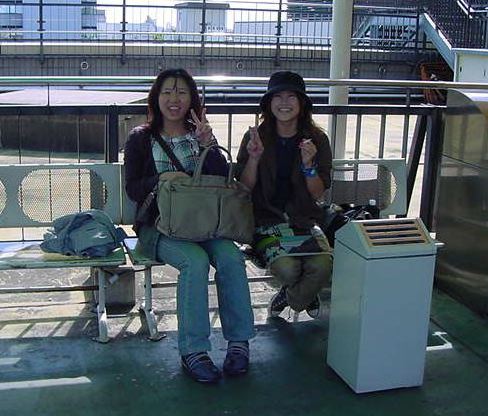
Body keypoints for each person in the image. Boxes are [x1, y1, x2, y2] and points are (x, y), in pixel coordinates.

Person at [124, 68, 255, 384]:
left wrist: (207, 144)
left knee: (230, 256)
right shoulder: (140, 138)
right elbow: (133, 188)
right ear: (156, 98)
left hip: (202, 223)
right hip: (159, 227)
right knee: (194, 262)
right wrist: (161, 178)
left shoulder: (200, 135)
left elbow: (221, 181)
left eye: (182, 92)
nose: (174, 99)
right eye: (167, 91)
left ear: (192, 99)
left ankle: (239, 342)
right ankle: (193, 350)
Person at [236, 70, 333, 320]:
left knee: (324, 265)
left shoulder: (317, 140)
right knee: (289, 270)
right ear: (269, 103)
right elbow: (244, 188)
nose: (284, 103)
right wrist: (254, 159)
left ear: (302, 104)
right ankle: (304, 294)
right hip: (264, 221)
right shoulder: (256, 137)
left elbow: (318, 193)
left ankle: (291, 297)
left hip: (305, 221)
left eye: (292, 97)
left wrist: (309, 166)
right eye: (277, 97)